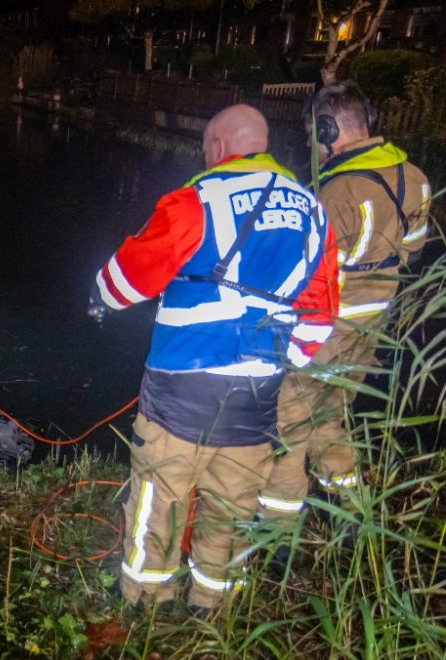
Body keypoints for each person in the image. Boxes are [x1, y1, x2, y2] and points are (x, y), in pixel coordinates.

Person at [88, 105, 339, 613]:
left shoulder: (194, 201)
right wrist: (277, 359)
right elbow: (322, 313)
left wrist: (98, 295)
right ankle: (209, 611)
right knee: (231, 507)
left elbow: (123, 283)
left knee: (160, 499)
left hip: (181, 393)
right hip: (256, 398)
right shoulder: (313, 211)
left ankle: (145, 601)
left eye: (207, 148)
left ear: (219, 147)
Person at [259, 82, 432, 528]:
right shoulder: (414, 177)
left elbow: (304, 271)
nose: (310, 146)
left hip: (326, 330)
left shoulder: (336, 190)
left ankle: (277, 533)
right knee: (332, 418)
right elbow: (414, 248)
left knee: (289, 427)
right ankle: (352, 515)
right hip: (372, 325)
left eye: (311, 135)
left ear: (329, 128)